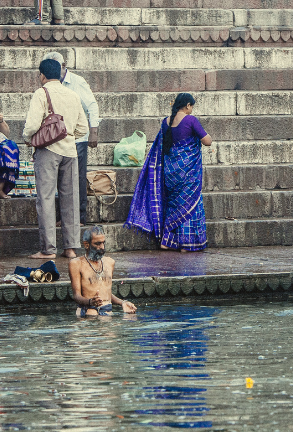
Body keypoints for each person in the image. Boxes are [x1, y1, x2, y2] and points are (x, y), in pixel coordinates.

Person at [126, 92, 212, 251]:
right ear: (187, 105)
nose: (191, 110)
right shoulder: (191, 120)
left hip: (170, 172)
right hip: (187, 173)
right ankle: (186, 244)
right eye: (191, 107)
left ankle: (166, 241)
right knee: (188, 206)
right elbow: (207, 141)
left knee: (173, 205)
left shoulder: (165, 122)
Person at [23, 57, 88, 260]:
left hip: (48, 151)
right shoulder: (72, 94)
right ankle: (70, 248)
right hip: (70, 151)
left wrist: (28, 138)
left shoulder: (41, 93)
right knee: (70, 200)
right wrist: (67, 135)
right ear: (60, 74)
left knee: (46, 199)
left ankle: (48, 249)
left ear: (41, 75)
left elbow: (32, 125)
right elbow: (83, 128)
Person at [40, 51, 100, 226]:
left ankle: (79, 217)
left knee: (78, 178)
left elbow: (92, 106)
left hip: (77, 138)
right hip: (57, 139)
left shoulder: (77, 82)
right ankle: (64, 217)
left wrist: (93, 131)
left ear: (63, 66)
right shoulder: (48, 86)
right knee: (61, 180)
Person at [70, 225, 136, 316]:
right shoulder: (76, 264)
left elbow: (106, 293)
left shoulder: (110, 262)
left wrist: (123, 303)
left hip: (107, 313)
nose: (102, 247)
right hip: (88, 315)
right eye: (97, 244)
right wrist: (90, 302)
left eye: (103, 243)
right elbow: (76, 296)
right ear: (86, 244)